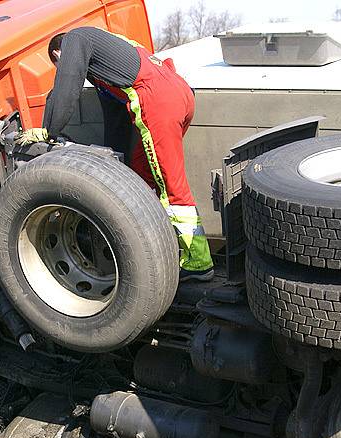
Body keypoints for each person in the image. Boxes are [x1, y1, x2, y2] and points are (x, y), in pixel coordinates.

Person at [17, 27, 213, 280]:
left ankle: (198, 263)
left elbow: (66, 86)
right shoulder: (107, 54)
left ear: (58, 53)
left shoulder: (76, 39)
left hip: (159, 101)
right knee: (142, 177)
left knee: (171, 186)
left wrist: (49, 131)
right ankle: (159, 246)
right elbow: (116, 117)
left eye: (59, 63)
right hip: (179, 93)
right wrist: (118, 166)